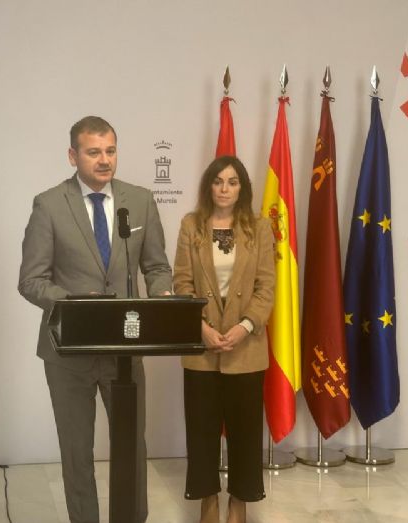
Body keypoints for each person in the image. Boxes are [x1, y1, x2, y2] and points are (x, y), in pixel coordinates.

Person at [18, 116, 172, 523]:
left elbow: (157, 267)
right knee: (77, 451)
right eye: (93, 152)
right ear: (73, 156)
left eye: (110, 151)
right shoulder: (50, 204)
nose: (104, 160)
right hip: (68, 352)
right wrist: (74, 304)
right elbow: (31, 280)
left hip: (126, 348)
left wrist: (162, 295)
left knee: (131, 447)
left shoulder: (140, 200)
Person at [173, 156, 275, 523]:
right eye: (218, 182)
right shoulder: (191, 225)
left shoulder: (259, 228)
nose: (225, 189)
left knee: (245, 432)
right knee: (201, 431)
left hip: (246, 348)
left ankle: (239, 503)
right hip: (202, 349)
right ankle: (207, 502)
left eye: (232, 182)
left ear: (242, 188)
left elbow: (266, 287)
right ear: (209, 186)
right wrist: (201, 328)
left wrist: (245, 326)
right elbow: (182, 283)